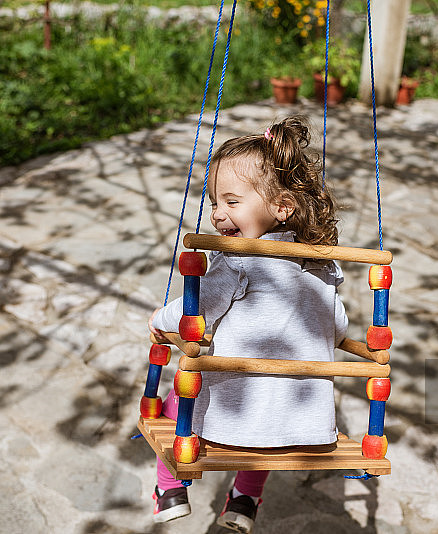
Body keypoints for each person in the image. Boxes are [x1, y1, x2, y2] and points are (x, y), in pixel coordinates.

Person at [148, 115, 348, 533]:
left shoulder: (236, 258)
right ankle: (244, 499)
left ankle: (169, 489)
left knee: (171, 411)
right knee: (263, 436)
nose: (219, 215)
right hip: (295, 425)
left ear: (281, 207)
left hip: (233, 416)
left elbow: (195, 308)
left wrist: (159, 319)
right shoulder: (322, 266)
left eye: (231, 201)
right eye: (214, 203)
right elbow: (339, 328)